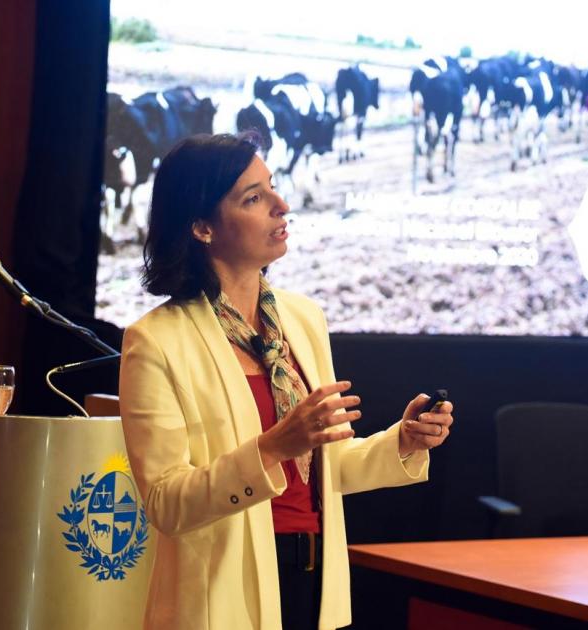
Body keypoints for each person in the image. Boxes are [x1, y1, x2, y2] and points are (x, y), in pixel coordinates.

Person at [119, 133, 454, 630]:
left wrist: (400, 442)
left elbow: (321, 469)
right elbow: (166, 504)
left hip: (316, 578)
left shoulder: (303, 320)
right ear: (201, 226)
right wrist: (272, 447)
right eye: (254, 198)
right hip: (223, 596)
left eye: (273, 188)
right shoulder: (156, 340)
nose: (282, 205)